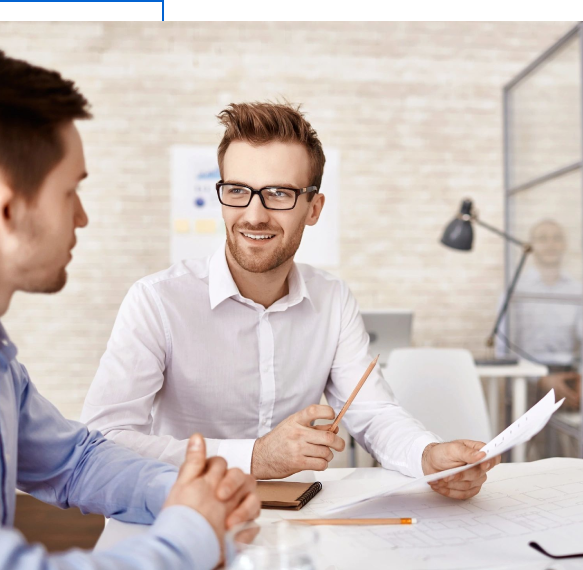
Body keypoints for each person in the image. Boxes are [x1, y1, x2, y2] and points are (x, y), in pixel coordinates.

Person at [0, 41, 259, 570]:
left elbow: (73, 461)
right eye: (69, 192)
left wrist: (192, 489)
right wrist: (191, 534)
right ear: (6, 208)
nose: (81, 218)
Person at [82, 101, 499, 499]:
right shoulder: (156, 301)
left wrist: (427, 457)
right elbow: (105, 441)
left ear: (313, 208)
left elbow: (373, 414)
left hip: (300, 521)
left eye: (279, 193)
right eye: (238, 191)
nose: (254, 214)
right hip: (183, 515)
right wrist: (256, 458)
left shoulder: (332, 300)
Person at [498, 219, 582, 410]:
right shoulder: (514, 289)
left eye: (556, 238)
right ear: (531, 245)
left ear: (565, 245)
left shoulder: (578, 290)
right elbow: (502, 349)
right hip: (525, 377)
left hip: (568, 375)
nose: (550, 244)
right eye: (543, 238)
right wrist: (539, 378)